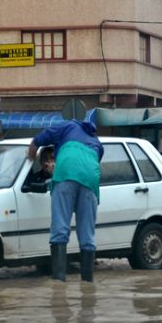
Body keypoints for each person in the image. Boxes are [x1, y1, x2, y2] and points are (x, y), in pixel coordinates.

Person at [27, 118, 103, 282]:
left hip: (66, 173)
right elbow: (95, 162)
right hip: (90, 179)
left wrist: (32, 150)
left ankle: (59, 284)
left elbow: (43, 137)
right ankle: (87, 284)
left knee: (60, 228)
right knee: (87, 235)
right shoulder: (96, 142)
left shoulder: (68, 126)